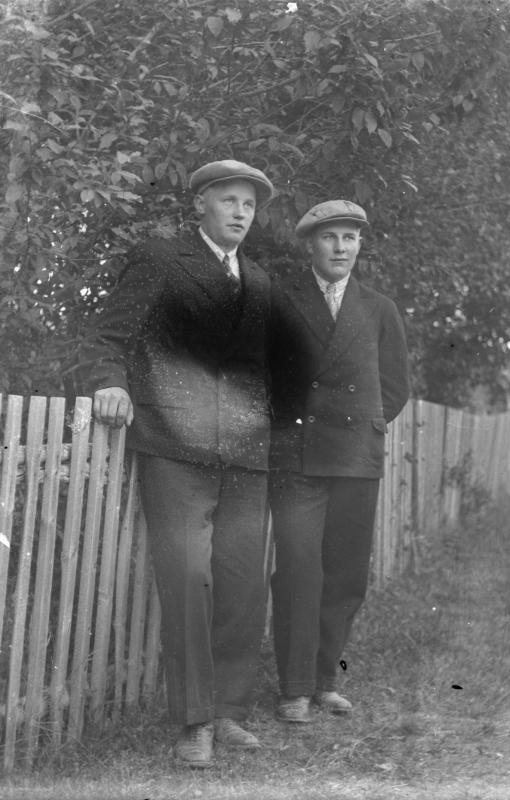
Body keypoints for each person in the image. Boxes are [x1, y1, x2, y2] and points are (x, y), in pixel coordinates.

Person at [74, 160, 275, 768]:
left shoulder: (260, 281)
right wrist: (111, 383)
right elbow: (105, 337)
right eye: (229, 200)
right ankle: (194, 722)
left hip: (246, 455)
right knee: (188, 578)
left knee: (243, 581)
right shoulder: (162, 260)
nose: (240, 213)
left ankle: (228, 710)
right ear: (200, 205)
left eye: (249, 205)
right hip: (174, 446)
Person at [268, 199, 409, 723]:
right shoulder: (282, 301)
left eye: (350, 238)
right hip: (297, 456)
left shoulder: (379, 309)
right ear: (311, 244)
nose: (341, 248)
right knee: (299, 571)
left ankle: (324, 680)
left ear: (360, 245)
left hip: (354, 455)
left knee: (345, 574)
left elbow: (395, 387)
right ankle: (294, 688)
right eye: (330, 237)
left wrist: (360, 423)